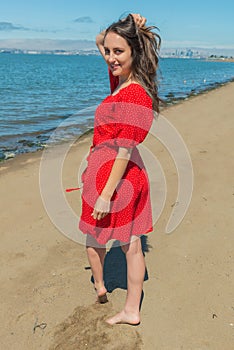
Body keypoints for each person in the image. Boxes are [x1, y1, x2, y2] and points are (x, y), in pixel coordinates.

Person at [79, 13, 161, 325]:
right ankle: (115, 297)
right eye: (110, 52)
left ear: (135, 53)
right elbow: (100, 39)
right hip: (110, 173)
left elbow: (125, 151)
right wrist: (129, 26)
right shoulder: (120, 81)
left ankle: (131, 310)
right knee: (122, 242)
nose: (111, 57)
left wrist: (105, 195)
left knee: (131, 246)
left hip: (121, 178)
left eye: (119, 52)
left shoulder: (135, 93)